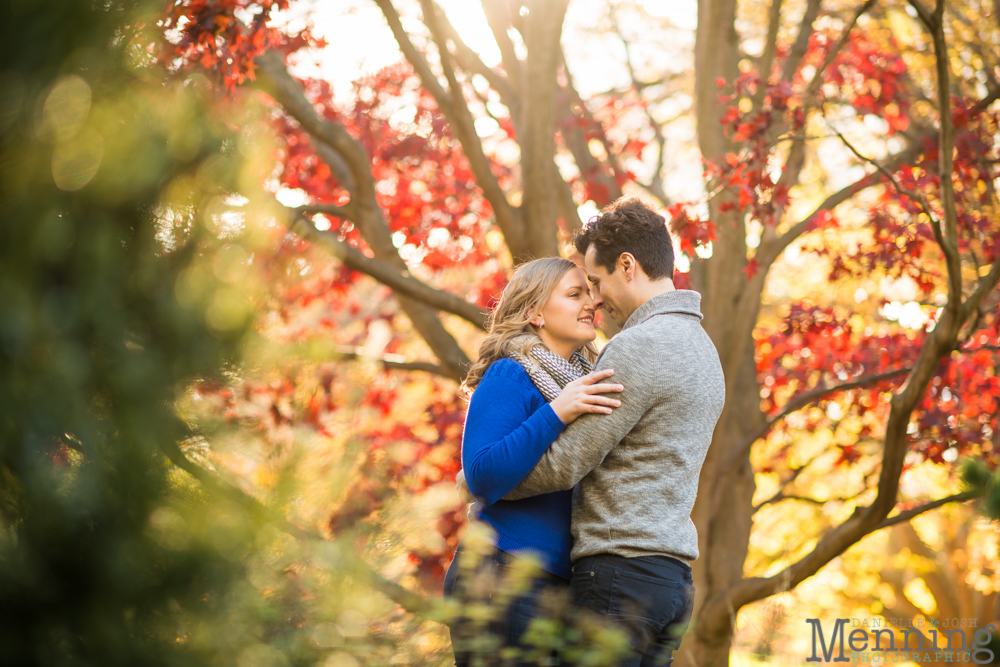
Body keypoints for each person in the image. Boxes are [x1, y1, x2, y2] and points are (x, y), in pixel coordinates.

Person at [501, 197, 726, 666]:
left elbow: (566, 464)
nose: (596, 300)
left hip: (618, 582)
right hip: (672, 584)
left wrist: (486, 483)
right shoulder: (704, 350)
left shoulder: (639, 346)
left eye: (598, 283)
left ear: (628, 264)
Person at [443, 257, 626, 666]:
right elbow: (483, 475)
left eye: (590, 293)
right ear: (534, 313)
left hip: (557, 580)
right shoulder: (510, 373)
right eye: (575, 293)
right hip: (500, 573)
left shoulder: (585, 380)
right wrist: (557, 411)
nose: (591, 302)